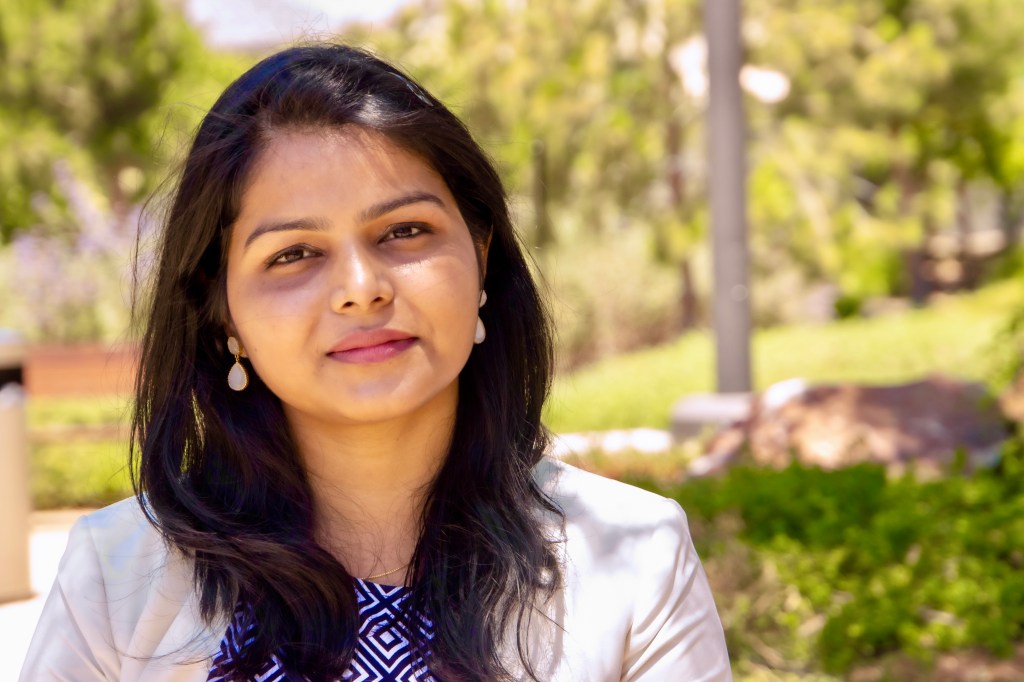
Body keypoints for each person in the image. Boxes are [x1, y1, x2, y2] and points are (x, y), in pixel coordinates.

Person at [20, 43, 731, 681]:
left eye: (404, 231)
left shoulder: (638, 560)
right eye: (294, 253)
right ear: (223, 308)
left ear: (480, 254)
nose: (362, 289)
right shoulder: (114, 579)